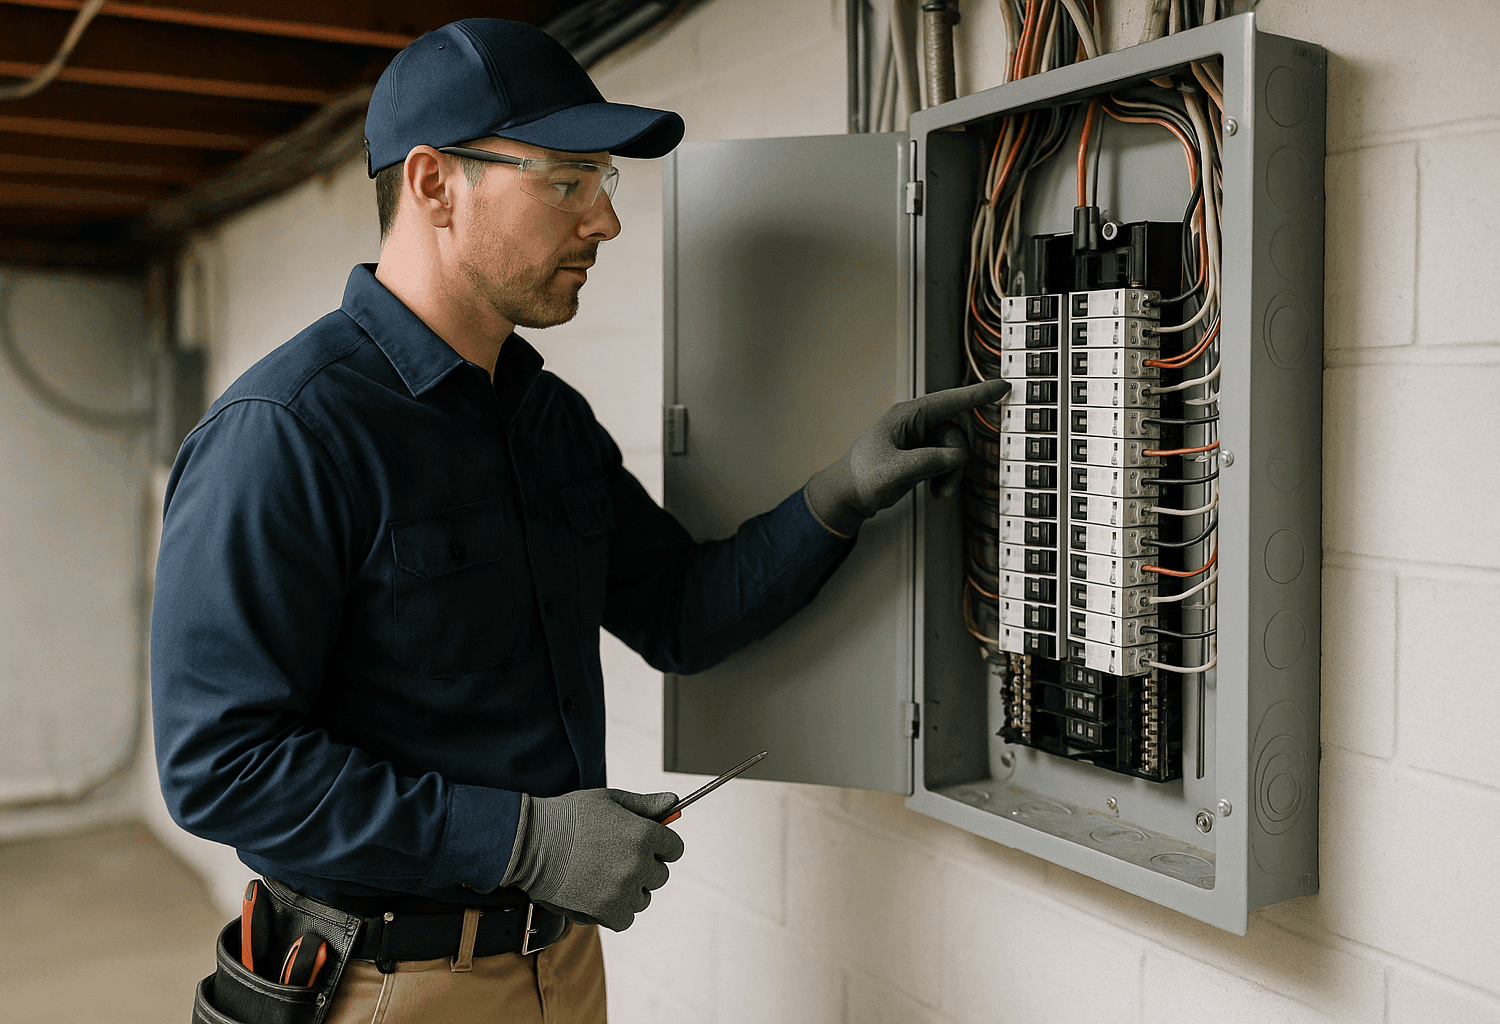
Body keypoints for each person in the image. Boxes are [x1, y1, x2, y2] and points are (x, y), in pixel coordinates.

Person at [150, 17, 1007, 1024]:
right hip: (382, 986)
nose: (603, 220)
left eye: (604, 180)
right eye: (565, 181)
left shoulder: (545, 421)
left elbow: (679, 613)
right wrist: (525, 840)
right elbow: (224, 765)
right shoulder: (287, 431)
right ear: (433, 183)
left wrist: (838, 495)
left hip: (561, 963)